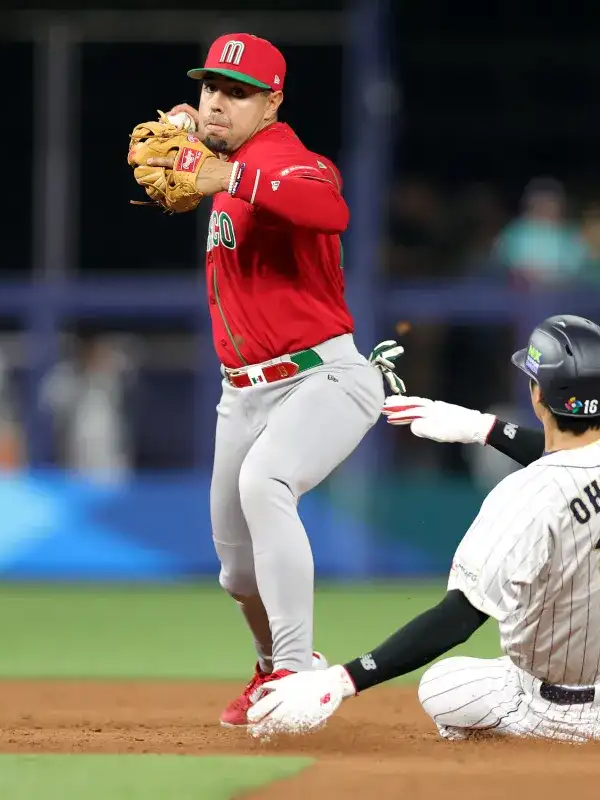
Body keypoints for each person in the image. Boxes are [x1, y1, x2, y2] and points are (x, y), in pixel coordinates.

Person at [246, 315, 600, 741]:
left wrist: (341, 680)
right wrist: (482, 428)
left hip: (568, 714)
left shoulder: (522, 498)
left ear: (538, 394)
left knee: (440, 687)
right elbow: (584, 459)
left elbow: (458, 618)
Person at [154, 33, 392, 727]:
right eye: (211, 88)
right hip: (243, 392)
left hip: (325, 375)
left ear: (273, 103)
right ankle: (269, 667)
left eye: (238, 93)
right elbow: (180, 153)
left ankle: (296, 671)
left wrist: (227, 176)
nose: (218, 102)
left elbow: (329, 210)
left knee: (267, 481)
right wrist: (186, 135)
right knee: (235, 571)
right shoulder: (223, 159)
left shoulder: (288, 159)